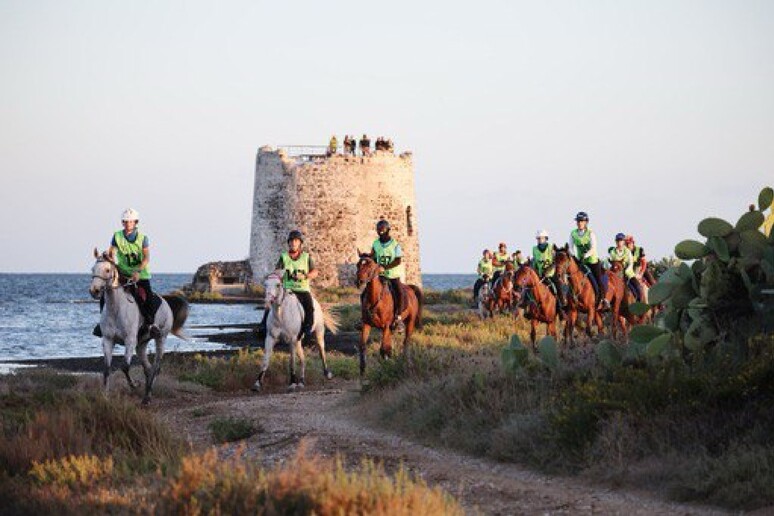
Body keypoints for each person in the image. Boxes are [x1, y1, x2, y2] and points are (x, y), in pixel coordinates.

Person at [93, 208, 159, 338]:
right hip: (122, 271)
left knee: (147, 296)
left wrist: (138, 271)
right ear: (122, 223)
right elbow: (112, 252)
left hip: (140, 273)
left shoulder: (143, 238)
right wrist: (108, 256)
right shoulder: (117, 236)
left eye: (130, 222)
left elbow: (146, 258)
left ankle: (151, 325)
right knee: (105, 293)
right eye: (125, 222)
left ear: (135, 223)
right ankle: (102, 324)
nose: (128, 224)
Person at [258, 230, 319, 340]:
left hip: (302, 289)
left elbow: (315, 272)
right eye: (291, 241)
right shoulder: (284, 257)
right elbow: (277, 271)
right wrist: (277, 275)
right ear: (289, 243)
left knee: (309, 307)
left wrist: (305, 276)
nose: (293, 243)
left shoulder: (306, 257)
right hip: (287, 289)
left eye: (296, 241)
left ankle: (307, 329)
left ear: (300, 243)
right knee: (271, 302)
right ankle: (263, 326)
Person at [370, 219, 405, 330]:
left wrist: (384, 267)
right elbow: (373, 257)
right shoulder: (375, 243)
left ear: (388, 230)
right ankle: (364, 318)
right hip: (379, 275)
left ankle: (398, 318)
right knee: (366, 292)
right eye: (379, 229)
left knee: (399, 293)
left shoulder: (395, 244)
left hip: (392, 275)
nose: (380, 231)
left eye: (383, 229)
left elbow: (398, 260)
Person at [569, 211, 608, 309]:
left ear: (586, 222)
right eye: (578, 221)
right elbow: (570, 247)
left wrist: (585, 256)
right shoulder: (573, 233)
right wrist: (574, 256)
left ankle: (603, 300)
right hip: (581, 261)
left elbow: (593, 248)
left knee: (597, 280)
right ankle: (569, 299)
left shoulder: (591, 233)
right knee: (572, 277)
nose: (579, 223)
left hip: (592, 261)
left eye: (581, 221)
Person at [610, 233, 642, 302]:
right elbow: (612, 262)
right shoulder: (613, 252)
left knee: (637, 286)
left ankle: (639, 300)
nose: (619, 242)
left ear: (624, 242)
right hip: (616, 274)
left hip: (628, 273)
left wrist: (626, 271)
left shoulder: (627, 252)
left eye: (621, 240)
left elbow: (630, 263)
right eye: (617, 241)